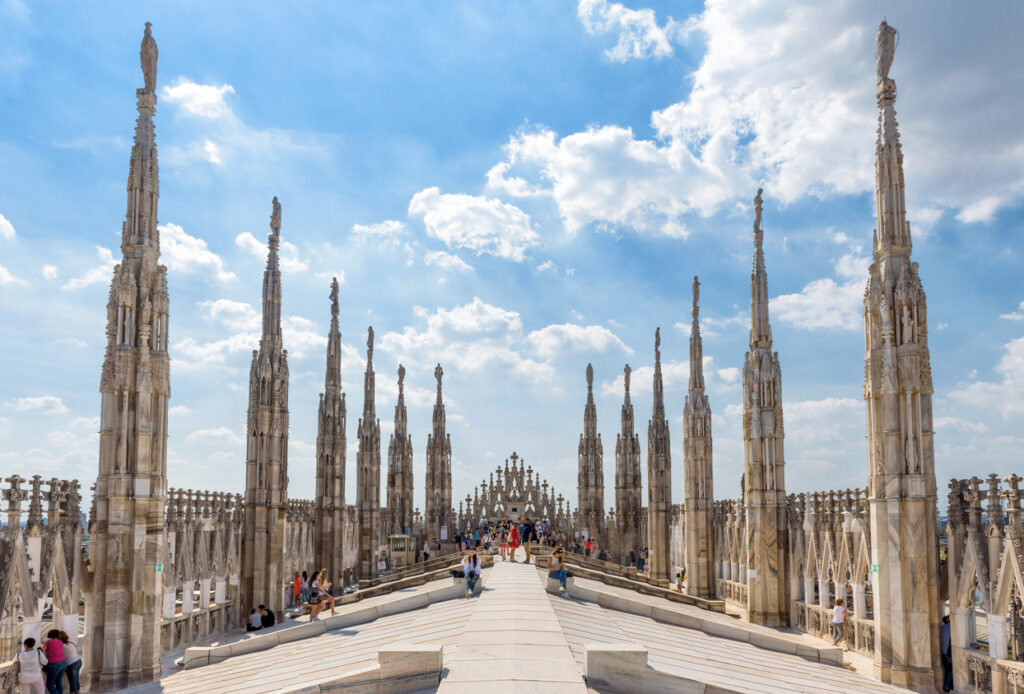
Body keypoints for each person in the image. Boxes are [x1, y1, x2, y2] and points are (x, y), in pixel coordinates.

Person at [43, 629, 67, 694]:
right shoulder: (61, 642)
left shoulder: (48, 642)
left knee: (49, 685)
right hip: (63, 663)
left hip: (54, 664)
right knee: (58, 683)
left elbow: (43, 651)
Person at [941, 614, 953, 692]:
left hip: (943, 652)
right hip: (948, 653)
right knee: (953, 669)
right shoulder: (952, 627)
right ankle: (947, 685)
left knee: (947, 669)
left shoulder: (942, 628)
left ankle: (946, 685)